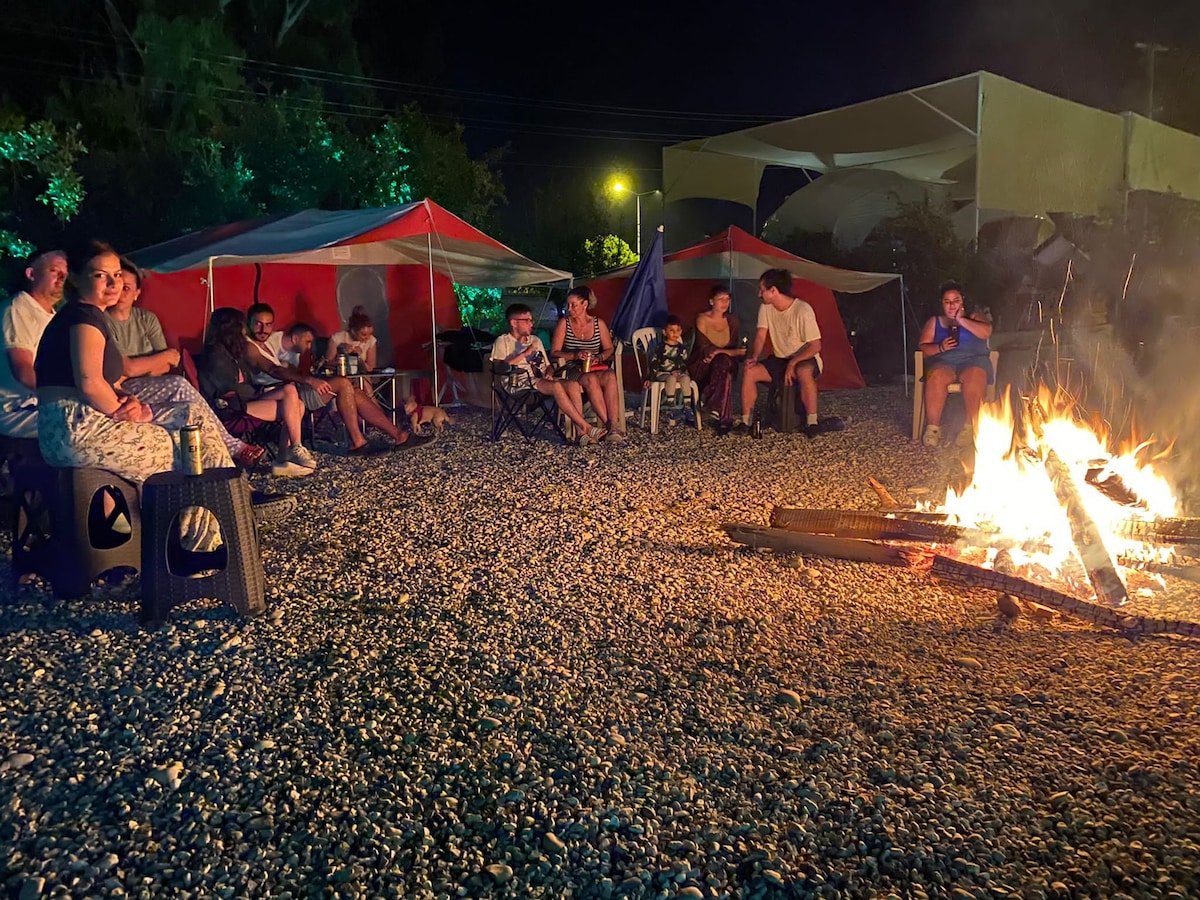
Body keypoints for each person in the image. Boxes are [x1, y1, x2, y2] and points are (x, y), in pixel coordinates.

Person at [34, 241, 235, 486]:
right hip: (75, 427)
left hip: (80, 419)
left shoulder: (88, 315)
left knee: (190, 415)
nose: (113, 284)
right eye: (100, 275)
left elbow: (102, 380)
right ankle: (215, 507)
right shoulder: (82, 317)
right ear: (76, 279)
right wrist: (129, 416)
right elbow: (89, 383)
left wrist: (127, 399)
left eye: (117, 275)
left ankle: (228, 493)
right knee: (180, 448)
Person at [108, 261, 266, 470]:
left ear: (137, 293)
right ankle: (234, 447)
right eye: (118, 285)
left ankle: (229, 471)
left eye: (127, 287)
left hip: (151, 385)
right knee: (179, 385)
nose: (120, 292)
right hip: (121, 389)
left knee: (188, 406)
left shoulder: (146, 319)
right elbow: (121, 370)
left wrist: (136, 367)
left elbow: (170, 361)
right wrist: (148, 363)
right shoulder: (103, 322)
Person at [244, 303, 427, 454]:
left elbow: (284, 368)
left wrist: (305, 375)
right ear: (249, 323)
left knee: (353, 391)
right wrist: (309, 380)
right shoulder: (249, 346)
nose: (263, 329)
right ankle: (358, 443)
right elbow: (273, 370)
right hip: (275, 395)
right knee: (343, 383)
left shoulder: (269, 344)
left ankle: (399, 436)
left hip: (291, 390)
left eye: (267, 324)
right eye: (258, 324)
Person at [195, 308, 316, 478]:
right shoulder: (216, 356)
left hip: (247, 399)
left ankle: (286, 456)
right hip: (231, 409)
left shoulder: (232, 350)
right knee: (293, 399)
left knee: (295, 400)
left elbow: (250, 378)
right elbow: (227, 390)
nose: (245, 331)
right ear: (231, 329)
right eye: (243, 326)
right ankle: (289, 452)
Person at [491, 303, 605, 446]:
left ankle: (581, 434)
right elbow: (499, 368)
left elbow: (548, 366)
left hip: (541, 381)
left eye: (531, 320)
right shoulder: (503, 341)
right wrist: (524, 354)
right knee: (557, 386)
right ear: (514, 323)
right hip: (519, 383)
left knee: (573, 385)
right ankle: (586, 426)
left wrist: (549, 373)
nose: (531, 324)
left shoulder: (535, 340)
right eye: (527, 320)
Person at [739, 268, 824, 435]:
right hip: (780, 359)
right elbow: (761, 336)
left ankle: (812, 422)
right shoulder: (766, 308)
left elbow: (816, 346)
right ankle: (746, 421)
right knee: (750, 371)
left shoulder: (802, 310)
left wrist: (793, 362)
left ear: (773, 291)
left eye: (762, 290)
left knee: (804, 370)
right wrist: (754, 357)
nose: (759, 294)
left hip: (804, 357)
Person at [917, 280, 994, 447]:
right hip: (944, 361)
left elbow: (986, 332)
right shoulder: (935, 322)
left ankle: (970, 427)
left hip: (974, 361)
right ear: (942, 304)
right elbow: (923, 348)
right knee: (936, 376)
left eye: (956, 300)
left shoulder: (975, 317)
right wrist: (940, 347)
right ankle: (933, 429)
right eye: (947, 302)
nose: (952, 305)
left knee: (975, 375)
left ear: (963, 301)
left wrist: (961, 320)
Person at [0, 249, 67, 437]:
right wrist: (68, 395)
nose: (62, 277)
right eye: (54, 271)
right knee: (86, 423)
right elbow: (23, 371)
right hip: (16, 408)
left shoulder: (53, 317)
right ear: (31, 274)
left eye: (65, 273)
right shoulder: (17, 308)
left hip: (42, 402)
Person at [550, 286, 626, 441]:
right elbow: (554, 352)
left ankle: (612, 425)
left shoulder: (598, 323)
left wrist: (599, 357)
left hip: (594, 365)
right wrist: (574, 355)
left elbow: (609, 348)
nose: (569, 309)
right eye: (568, 305)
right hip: (574, 367)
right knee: (590, 379)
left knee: (610, 376)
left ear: (584, 305)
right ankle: (609, 426)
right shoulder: (564, 324)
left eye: (573, 305)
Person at [688, 285, 746, 431]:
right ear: (711, 301)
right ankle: (723, 418)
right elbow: (704, 348)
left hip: (725, 363)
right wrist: (731, 353)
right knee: (723, 368)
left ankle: (713, 407)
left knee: (723, 363)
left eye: (727, 299)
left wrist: (724, 353)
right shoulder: (702, 318)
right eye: (720, 299)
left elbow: (737, 349)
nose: (724, 302)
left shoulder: (732, 321)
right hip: (703, 363)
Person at [649, 314, 693, 412]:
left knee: (686, 378)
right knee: (671, 378)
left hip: (678, 373)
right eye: (671, 331)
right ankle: (671, 405)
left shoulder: (682, 348)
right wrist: (649, 378)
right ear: (665, 332)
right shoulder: (660, 347)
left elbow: (685, 363)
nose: (675, 333)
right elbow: (654, 363)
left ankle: (687, 405)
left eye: (677, 330)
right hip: (663, 373)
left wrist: (680, 372)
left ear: (681, 331)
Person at [324, 305, 378, 372]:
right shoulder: (337, 338)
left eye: (370, 334)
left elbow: (371, 369)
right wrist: (344, 355)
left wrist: (358, 359)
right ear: (353, 331)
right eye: (363, 334)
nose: (367, 337)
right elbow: (328, 364)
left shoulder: (371, 341)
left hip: (362, 376)